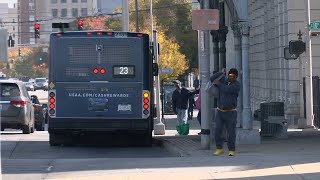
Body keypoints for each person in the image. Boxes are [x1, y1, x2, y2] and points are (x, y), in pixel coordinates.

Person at [212, 68, 240, 156]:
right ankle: (219, 148)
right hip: (220, 111)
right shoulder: (224, 80)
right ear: (228, 75)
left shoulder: (237, 85)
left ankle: (231, 150)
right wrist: (221, 72)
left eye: (234, 76)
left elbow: (228, 89)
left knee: (231, 132)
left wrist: (219, 84)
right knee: (217, 130)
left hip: (231, 112)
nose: (232, 78)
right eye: (231, 75)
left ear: (236, 77)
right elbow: (212, 79)